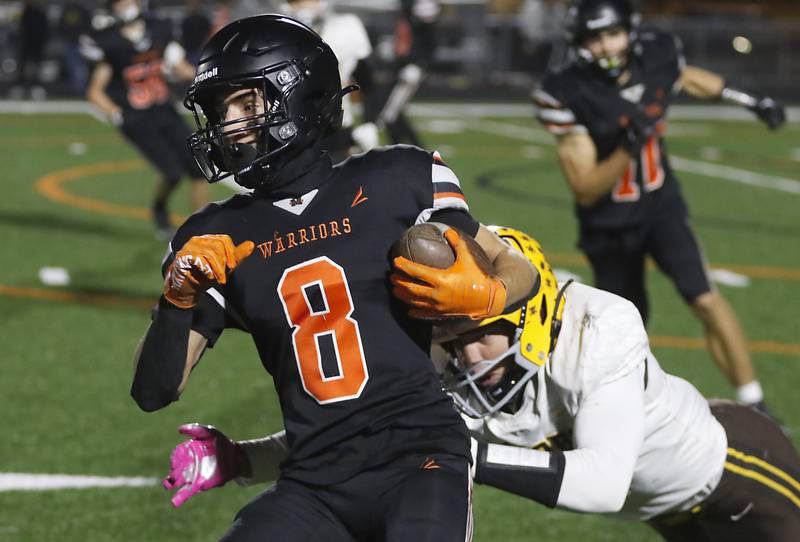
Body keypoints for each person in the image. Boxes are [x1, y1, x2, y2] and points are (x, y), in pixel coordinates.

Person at [131, 14, 537, 541]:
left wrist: (492, 292)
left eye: (246, 104)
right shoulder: (215, 234)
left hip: (420, 457)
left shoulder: (397, 177)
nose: (228, 124)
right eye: (219, 109)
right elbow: (153, 390)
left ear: (299, 94)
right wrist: (177, 299)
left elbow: (515, 264)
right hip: (312, 480)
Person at [168, 226, 800, 541]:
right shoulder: (448, 365)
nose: (468, 356)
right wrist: (240, 460)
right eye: (449, 339)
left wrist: (462, 453)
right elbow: (355, 437)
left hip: (738, 466)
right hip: (669, 512)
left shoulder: (599, 325)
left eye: (480, 332)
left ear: (527, 312)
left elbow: (605, 484)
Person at [530, 0, 786, 409]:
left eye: (612, 34)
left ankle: (754, 401)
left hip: (660, 207)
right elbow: (585, 187)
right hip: (608, 223)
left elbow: (685, 77)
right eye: (594, 38)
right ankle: (629, 411)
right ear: (580, 44)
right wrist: (629, 146)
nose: (606, 47)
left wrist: (750, 100)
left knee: (704, 297)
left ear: (629, 31)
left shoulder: (656, 54)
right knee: (623, 329)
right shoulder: (566, 90)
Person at [82, 0, 208, 240]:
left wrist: (206, 79)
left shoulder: (158, 29)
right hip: (137, 118)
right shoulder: (111, 43)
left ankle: (201, 231)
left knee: (199, 167)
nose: (127, 5)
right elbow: (95, 91)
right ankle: (159, 208)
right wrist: (117, 115)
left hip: (163, 109)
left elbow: (179, 66)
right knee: (172, 173)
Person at [279, 0, 382, 162]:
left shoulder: (345, 29)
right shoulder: (278, 35)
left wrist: (369, 123)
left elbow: (367, 82)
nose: (305, 6)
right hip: (290, 136)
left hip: (336, 132)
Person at [377, 0, 441, 146]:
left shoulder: (423, 23)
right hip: (403, 68)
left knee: (390, 114)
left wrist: (420, 66)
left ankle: (407, 148)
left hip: (411, 69)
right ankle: (412, 148)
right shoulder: (409, 18)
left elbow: (428, 45)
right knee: (393, 113)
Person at [13, 0, 49, 99]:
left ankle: (35, 87)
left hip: (37, 44)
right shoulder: (25, 13)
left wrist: (43, 41)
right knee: (22, 66)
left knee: (36, 67)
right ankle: (19, 87)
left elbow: (45, 29)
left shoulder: (41, 13)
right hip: (25, 44)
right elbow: (20, 29)